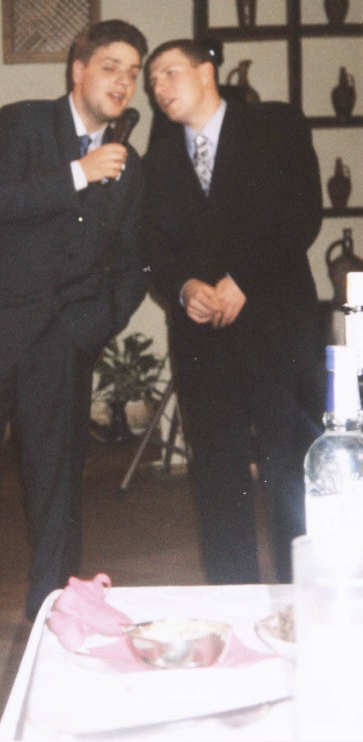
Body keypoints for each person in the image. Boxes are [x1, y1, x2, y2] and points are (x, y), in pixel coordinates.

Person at [0, 19, 149, 653]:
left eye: (132, 73)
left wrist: (94, 325)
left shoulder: (130, 166)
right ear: (78, 70)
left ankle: (53, 613)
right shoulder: (21, 123)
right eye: (110, 67)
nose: (123, 82)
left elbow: (133, 262)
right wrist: (79, 173)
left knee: (56, 479)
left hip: (60, 338)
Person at [141, 38, 324, 585]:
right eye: (153, 81)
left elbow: (302, 213)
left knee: (291, 468)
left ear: (206, 72)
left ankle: (302, 598)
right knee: (219, 476)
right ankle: (230, 597)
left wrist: (244, 279)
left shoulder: (275, 125)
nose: (159, 88)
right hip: (203, 339)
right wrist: (183, 288)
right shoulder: (159, 158)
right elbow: (151, 244)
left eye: (170, 73)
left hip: (279, 327)